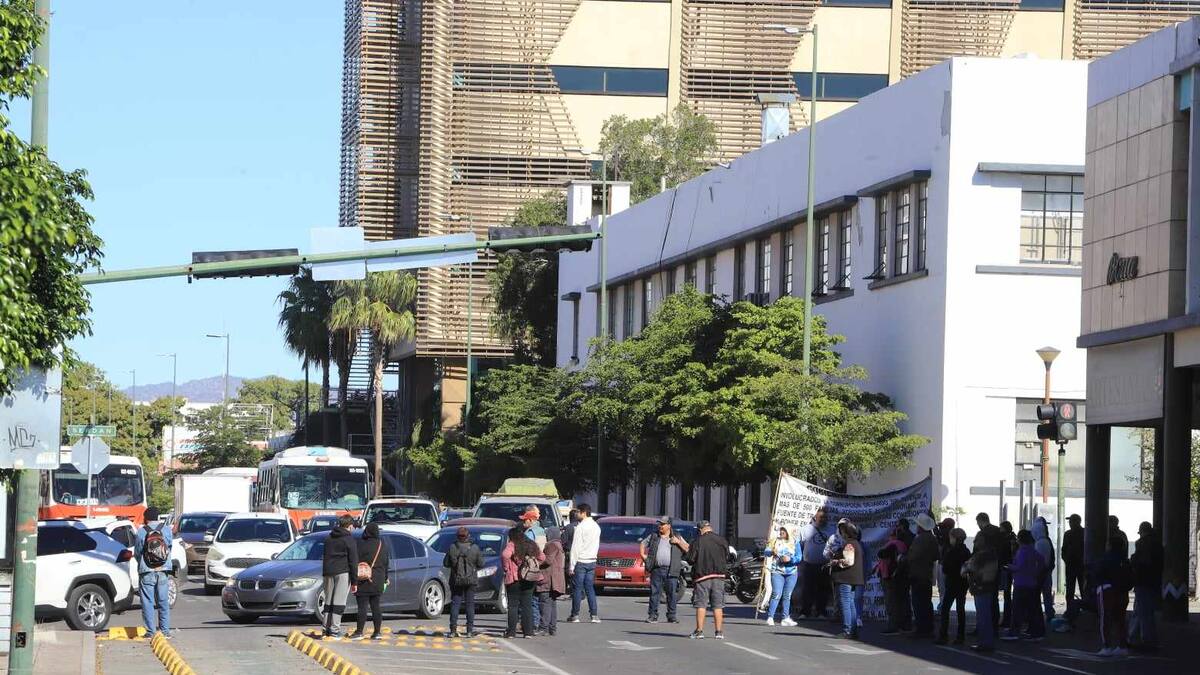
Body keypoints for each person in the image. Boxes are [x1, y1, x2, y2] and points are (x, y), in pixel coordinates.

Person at [640, 516, 689, 624]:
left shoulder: (677, 536)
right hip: (656, 569)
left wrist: (678, 542)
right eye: (659, 524)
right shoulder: (654, 536)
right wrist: (643, 556)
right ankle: (653, 615)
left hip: (671, 569)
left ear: (669, 526)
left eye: (662, 524)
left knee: (671, 593)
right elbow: (643, 543)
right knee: (654, 593)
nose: (660, 526)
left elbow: (687, 548)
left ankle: (671, 616)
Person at [134, 507, 174, 639]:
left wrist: (143, 563)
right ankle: (165, 631)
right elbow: (169, 548)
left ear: (146, 518)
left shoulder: (142, 531)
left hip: (147, 571)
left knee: (147, 601)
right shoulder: (166, 529)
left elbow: (138, 552)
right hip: (163, 570)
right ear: (157, 517)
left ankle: (150, 632)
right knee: (163, 601)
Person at [686, 520, 729, 640]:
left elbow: (691, 559)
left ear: (700, 530)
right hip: (719, 577)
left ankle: (699, 631)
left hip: (703, 577)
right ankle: (719, 632)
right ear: (710, 528)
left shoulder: (698, 541)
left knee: (701, 604)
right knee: (718, 605)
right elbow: (728, 556)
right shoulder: (722, 540)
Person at [1091, 533, 1132, 656]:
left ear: (1109, 545)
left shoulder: (1105, 559)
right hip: (1122, 592)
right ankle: (1122, 646)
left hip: (1106, 589)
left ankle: (1107, 646)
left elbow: (1097, 573)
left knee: (1105, 618)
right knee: (1120, 618)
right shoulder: (1125, 560)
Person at [502, 526, 545, 638]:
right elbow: (542, 557)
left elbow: (505, 555)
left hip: (515, 578)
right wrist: (533, 565)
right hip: (529, 578)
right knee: (527, 605)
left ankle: (511, 632)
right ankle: (528, 632)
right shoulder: (532, 544)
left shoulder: (512, 544)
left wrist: (507, 568)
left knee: (513, 605)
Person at [1002, 529, 1045, 642]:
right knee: (1032, 609)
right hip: (1031, 583)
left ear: (1020, 539)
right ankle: (1035, 631)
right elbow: (1042, 560)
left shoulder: (1022, 551)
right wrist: (1036, 571)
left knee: (1017, 609)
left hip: (1021, 583)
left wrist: (1009, 567)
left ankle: (1015, 631)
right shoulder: (1032, 550)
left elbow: (1019, 567)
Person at [321, 515, 359, 638]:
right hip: (342, 572)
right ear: (349, 526)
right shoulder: (349, 539)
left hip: (328, 572)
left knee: (328, 601)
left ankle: (325, 628)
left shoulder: (329, 538)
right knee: (339, 602)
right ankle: (335, 630)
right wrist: (354, 582)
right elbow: (353, 561)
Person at [444, 526, 485, 637]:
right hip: (471, 580)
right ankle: (469, 630)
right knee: (470, 604)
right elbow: (481, 564)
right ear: (468, 536)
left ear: (457, 536)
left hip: (456, 580)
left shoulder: (453, 547)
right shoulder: (474, 548)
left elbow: (446, 563)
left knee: (455, 603)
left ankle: (453, 630)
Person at [351, 523, 390, 641]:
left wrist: (353, 579)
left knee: (362, 607)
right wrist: (385, 578)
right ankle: (377, 632)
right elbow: (386, 563)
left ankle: (359, 632)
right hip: (378, 579)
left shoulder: (360, 543)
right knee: (376, 606)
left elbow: (354, 561)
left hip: (363, 578)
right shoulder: (382, 544)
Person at [1128, 522, 1163, 652]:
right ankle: (1134, 637)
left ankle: (1145, 640)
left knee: (1142, 612)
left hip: (1142, 581)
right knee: (1143, 611)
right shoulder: (1158, 544)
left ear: (1141, 531)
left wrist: (1133, 561)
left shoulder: (1141, 543)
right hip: (1153, 582)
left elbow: (1142, 562)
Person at [965, 528, 1000, 652]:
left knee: (983, 616)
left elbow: (970, 567)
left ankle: (985, 643)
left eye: (977, 539)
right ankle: (985, 642)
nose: (974, 542)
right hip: (985, 586)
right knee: (984, 616)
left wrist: (968, 568)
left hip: (981, 586)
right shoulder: (991, 553)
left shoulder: (983, 555)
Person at [972, 513, 1005, 643]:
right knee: (993, 599)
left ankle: (983, 629)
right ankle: (994, 628)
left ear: (979, 521)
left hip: (982, 572)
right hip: (996, 568)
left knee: (982, 602)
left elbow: (975, 554)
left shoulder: (982, 535)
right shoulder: (998, 532)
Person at [830, 518, 864, 640]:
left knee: (846, 603)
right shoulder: (856, 543)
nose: (841, 533)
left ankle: (847, 630)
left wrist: (836, 561)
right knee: (850, 603)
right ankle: (852, 630)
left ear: (846, 532)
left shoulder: (849, 544)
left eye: (842, 531)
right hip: (853, 578)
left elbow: (849, 561)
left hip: (846, 578)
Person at [907, 514, 939, 639]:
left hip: (918, 574)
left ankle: (921, 629)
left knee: (919, 602)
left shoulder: (920, 539)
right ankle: (928, 627)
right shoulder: (932, 538)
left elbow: (912, 556)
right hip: (927, 574)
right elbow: (936, 556)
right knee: (926, 602)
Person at [936, 527, 970, 645]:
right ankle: (960, 636)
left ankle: (943, 635)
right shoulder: (966, 551)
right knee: (961, 609)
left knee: (945, 609)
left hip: (952, 582)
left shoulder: (951, 552)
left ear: (955, 538)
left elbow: (945, 568)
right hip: (962, 583)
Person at [567, 503, 600, 623]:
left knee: (577, 588)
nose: (576, 514)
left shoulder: (580, 527)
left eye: (578, 512)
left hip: (581, 561)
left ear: (583, 513)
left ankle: (575, 615)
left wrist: (571, 565)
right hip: (592, 560)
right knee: (590, 588)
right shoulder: (596, 526)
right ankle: (594, 615)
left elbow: (575, 547)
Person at [797, 508, 832, 619]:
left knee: (823, 589)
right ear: (815, 518)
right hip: (809, 564)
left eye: (825, 517)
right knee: (807, 589)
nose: (823, 519)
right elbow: (798, 544)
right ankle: (805, 612)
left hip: (825, 565)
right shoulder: (805, 530)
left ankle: (821, 612)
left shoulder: (831, 530)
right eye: (821, 517)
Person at [876, 527, 910, 635]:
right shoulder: (904, 545)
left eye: (891, 534)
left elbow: (881, 554)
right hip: (899, 577)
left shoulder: (893, 545)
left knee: (891, 602)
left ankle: (893, 625)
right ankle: (903, 624)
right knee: (901, 601)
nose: (889, 536)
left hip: (889, 577)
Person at [763, 526, 799, 627]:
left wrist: (790, 560)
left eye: (784, 530)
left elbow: (799, 557)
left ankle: (785, 618)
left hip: (791, 572)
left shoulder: (795, 542)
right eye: (781, 530)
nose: (782, 532)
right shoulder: (774, 541)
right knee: (776, 594)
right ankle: (770, 617)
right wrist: (771, 552)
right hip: (777, 571)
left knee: (787, 595)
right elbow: (766, 551)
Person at [537, 528, 567, 636]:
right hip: (555, 579)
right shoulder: (559, 545)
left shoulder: (551, 545)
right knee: (552, 603)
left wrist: (536, 561)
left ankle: (543, 627)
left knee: (545, 602)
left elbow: (547, 560)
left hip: (549, 579)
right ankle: (552, 627)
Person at [521, 506, 545, 627]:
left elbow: (526, 550)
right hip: (539, 566)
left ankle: (531, 623)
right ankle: (535, 622)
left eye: (525, 520)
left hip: (530, 567)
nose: (523, 522)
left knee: (528, 597)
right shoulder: (541, 530)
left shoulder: (530, 533)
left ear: (530, 520)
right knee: (535, 596)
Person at [1061, 514, 1084, 612]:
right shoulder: (1083, 532)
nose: (1070, 523)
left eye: (1071, 521)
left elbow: (1064, 550)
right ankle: (1076, 609)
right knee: (1077, 589)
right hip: (1075, 565)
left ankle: (1072, 609)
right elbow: (1064, 550)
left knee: (1074, 589)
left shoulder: (1070, 534)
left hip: (1076, 565)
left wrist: (1067, 559)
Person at [998, 521, 1017, 628]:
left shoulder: (1008, 540)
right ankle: (1007, 618)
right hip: (1008, 567)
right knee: (1007, 594)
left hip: (1007, 568)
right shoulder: (1012, 539)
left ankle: (1007, 619)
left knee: (1006, 594)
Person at [934, 518, 955, 614]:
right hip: (942, 563)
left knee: (943, 589)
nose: (941, 529)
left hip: (944, 565)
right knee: (942, 588)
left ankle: (943, 607)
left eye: (943, 527)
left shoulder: (948, 537)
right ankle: (942, 606)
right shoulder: (946, 537)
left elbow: (938, 535)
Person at [561, 509, 580, 596]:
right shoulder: (581, 526)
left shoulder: (568, 527)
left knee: (568, 571)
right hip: (580, 553)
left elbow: (563, 541)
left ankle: (569, 588)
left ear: (570, 517)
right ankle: (578, 590)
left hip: (569, 552)